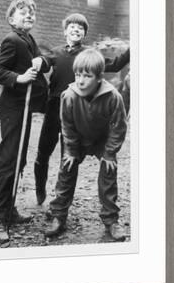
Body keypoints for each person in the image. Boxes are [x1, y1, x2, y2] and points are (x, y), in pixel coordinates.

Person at [33, 14, 130, 205]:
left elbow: (115, 64)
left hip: (76, 108)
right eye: (72, 27)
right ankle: (39, 189)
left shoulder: (89, 56)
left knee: (68, 154)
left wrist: (132, 51)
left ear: (84, 33)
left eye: (80, 28)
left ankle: (61, 199)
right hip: (54, 107)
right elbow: (44, 63)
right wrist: (38, 62)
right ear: (65, 31)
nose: (76, 30)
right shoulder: (56, 52)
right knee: (43, 151)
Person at [45, 48, 128, 241]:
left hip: (102, 141)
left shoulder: (113, 96)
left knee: (109, 173)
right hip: (77, 139)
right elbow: (66, 125)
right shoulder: (69, 95)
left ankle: (111, 220)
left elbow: (119, 127)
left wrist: (109, 152)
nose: (80, 80)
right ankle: (58, 215)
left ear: (99, 77)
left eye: (87, 76)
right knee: (66, 171)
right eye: (77, 74)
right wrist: (72, 151)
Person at [0, 0, 50, 244]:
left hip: (25, 110)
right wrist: (19, 78)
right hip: (13, 109)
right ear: (11, 18)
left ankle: (10, 208)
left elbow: (41, 63)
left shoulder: (29, 39)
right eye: (23, 12)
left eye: (32, 13)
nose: (29, 16)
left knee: (20, 159)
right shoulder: (11, 40)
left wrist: (41, 61)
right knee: (9, 160)